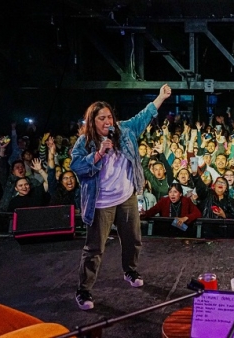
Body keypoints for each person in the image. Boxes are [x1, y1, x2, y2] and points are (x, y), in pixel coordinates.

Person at [70, 84, 172, 310]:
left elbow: (144, 115)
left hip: (126, 197)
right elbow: (76, 165)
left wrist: (160, 98)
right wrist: (98, 155)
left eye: (109, 117)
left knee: (133, 239)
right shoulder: (84, 143)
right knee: (95, 249)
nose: (107, 121)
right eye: (101, 118)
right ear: (92, 122)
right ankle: (84, 291)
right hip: (101, 203)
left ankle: (130, 270)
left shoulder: (125, 131)